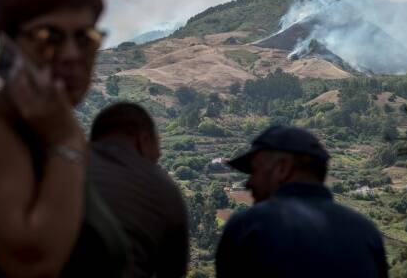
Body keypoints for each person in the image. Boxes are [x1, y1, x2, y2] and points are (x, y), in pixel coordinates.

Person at [0, 0, 127, 277]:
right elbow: (33, 264)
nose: (72, 54)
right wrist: (66, 141)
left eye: (85, 39)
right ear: (9, 49)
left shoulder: (53, 134)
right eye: (49, 37)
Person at [215, 125, 388, 278]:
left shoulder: (248, 226)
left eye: (254, 170)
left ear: (283, 168)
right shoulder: (366, 232)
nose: (249, 182)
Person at [89, 102, 189, 278]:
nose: (155, 161)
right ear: (142, 141)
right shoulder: (162, 187)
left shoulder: (59, 169)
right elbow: (173, 271)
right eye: (155, 155)